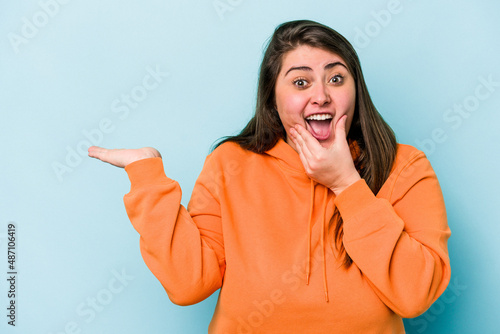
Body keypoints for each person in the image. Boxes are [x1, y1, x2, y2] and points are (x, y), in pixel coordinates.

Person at [89, 20, 451, 333]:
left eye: (336, 78)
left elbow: (415, 295)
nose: (321, 95)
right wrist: (148, 179)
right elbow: (188, 285)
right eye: (300, 83)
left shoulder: (404, 165)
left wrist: (346, 184)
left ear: (355, 91)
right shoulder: (229, 164)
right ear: (271, 99)